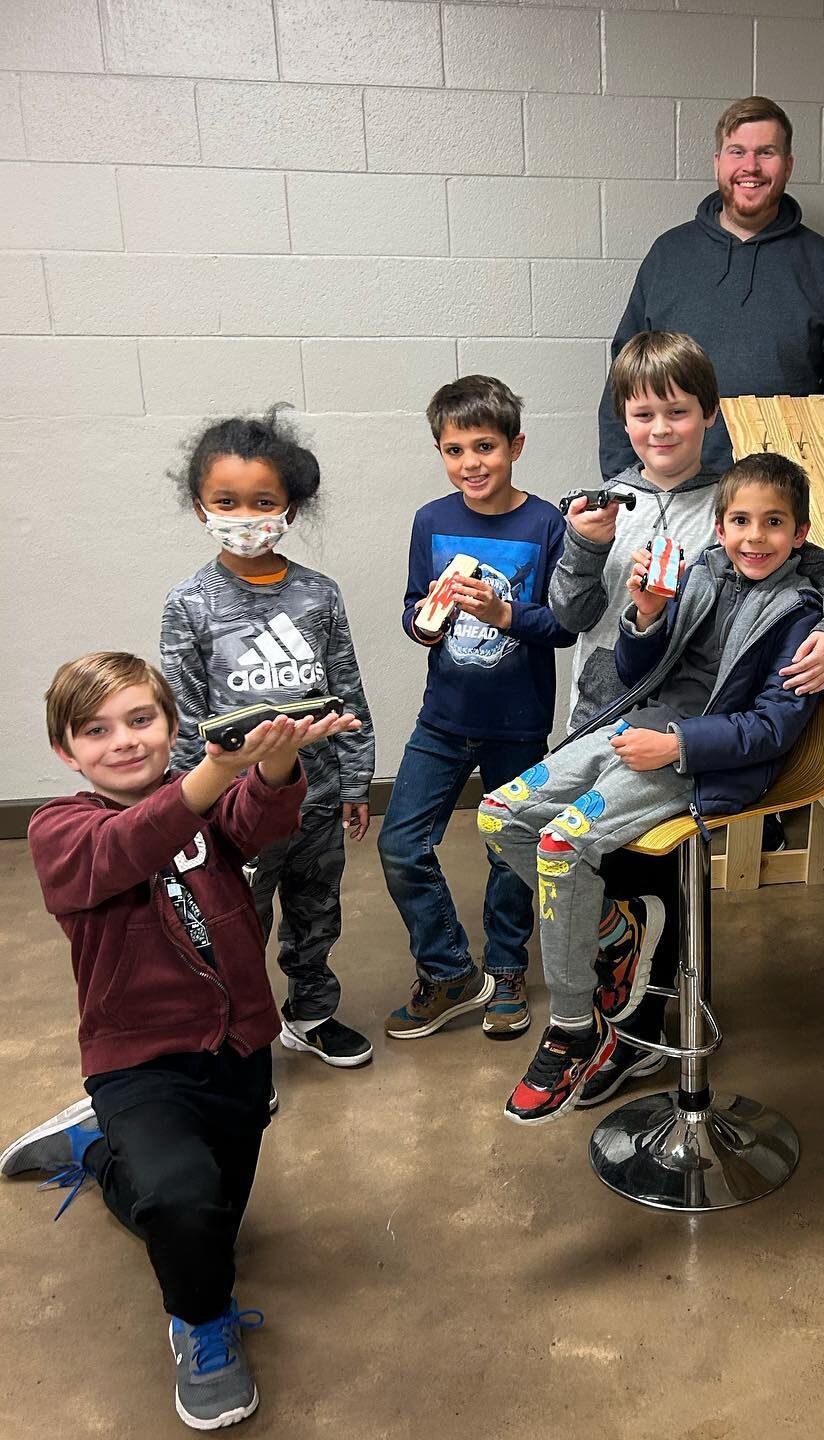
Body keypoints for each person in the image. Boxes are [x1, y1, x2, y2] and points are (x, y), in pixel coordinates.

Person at [0, 651, 359, 1429]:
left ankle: (93, 1153)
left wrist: (276, 760)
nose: (124, 741)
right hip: (137, 1059)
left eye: (141, 720)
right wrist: (215, 771)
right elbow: (127, 847)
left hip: (236, 1048)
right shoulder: (59, 829)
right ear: (66, 751)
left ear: (169, 726)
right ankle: (202, 1327)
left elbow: (260, 822)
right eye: (96, 730)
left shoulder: (198, 802)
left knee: (205, 1222)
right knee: (181, 1208)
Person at [482, 452, 824, 1123]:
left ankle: (573, 1029)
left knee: (563, 843)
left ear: (800, 534)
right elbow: (635, 669)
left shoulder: (803, 614)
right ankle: (617, 930)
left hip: (702, 761)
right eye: (740, 520)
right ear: (718, 525)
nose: (754, 536)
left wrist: (676, 747)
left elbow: (770, 731)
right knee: (497, 814)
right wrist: (645, 616)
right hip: (636, 726)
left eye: (773, 523)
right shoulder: (703, 570)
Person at [553, 332, 824, 1105]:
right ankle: (613, 1018)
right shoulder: (603, 503)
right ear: (622, 419)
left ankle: (660, 1025)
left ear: (709, 415)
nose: (661, 429)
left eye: (678, 412)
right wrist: (582, 550)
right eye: (643, 413)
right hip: (599, 712)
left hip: (681, 731)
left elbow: (821, 566)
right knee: (594, 862)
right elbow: (567, 611)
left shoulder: (735, 504)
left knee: (660, 877)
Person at [161, 410, 375, 1067]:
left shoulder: (318, 596)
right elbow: (185, 714)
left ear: (290, 508)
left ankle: (310, 1015)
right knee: (234, 924)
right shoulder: (189, 603)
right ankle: (240, 1038)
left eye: (263, 502)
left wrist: (356, 779)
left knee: (316, 915)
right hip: (234, 811)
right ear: (201, 507)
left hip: (315, 799)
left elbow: (347, 693)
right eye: (226, 501)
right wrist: (193, 807)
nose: (245, 515)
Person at [379, 376, 574, 1041]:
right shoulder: (431, 520)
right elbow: (412, 605)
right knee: (402, 844)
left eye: (485, 446)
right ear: (440, 452)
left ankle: (507, 968)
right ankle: (450, 971)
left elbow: (564, 625)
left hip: (517, 725)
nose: (471, 463)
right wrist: (423, 624)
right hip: (443, 718)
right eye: (454, 449)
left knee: (508, 851)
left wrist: (505, 613)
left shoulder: (545, 523)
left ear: (515, 445)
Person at [598, 95, 824, 482]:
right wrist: (625, 485)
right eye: (737, 151)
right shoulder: (669, 255)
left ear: (788, 165)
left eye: (767, 152)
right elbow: (624, 379)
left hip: (781, 504)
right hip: (676, 493)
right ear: (718, 162)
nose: (751, 166)